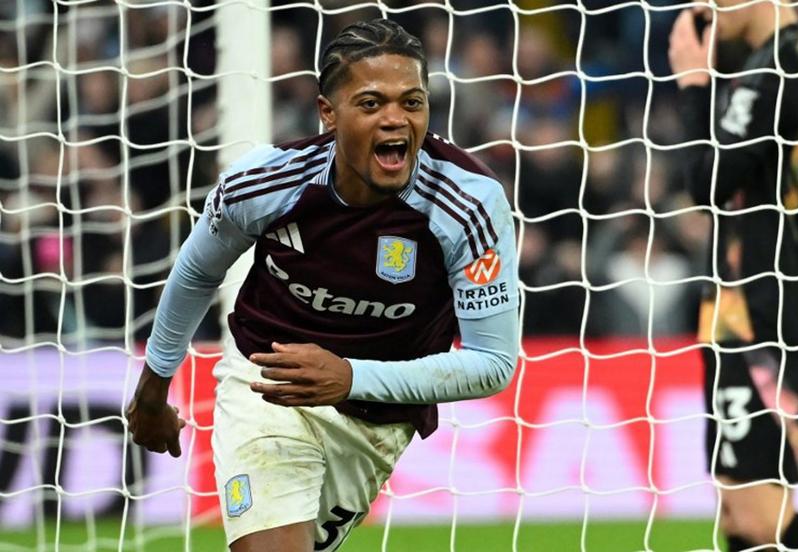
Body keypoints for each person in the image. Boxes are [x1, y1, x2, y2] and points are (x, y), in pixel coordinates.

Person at [126, 19, 519, 552]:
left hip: (375, 421)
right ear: (328, 113)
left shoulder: (467, 203)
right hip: (267, 386)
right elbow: (197, 270)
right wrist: (155, 384)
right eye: (371, 103)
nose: (395, 120)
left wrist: (349, 377)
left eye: (412, 102)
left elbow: (493, 363)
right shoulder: (268, 180)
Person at [669, 2, 798, 549]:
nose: (700, 8)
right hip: (747, 300)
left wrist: (692, 83)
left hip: (767, 307)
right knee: (741, 522)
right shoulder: (775, 62)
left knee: (759, 524)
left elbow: (705, 180)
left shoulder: (780, 65)